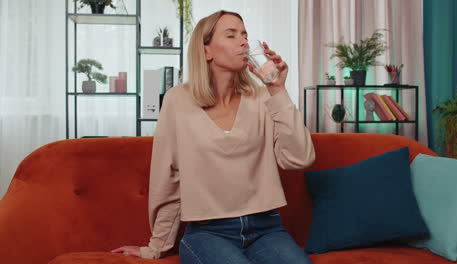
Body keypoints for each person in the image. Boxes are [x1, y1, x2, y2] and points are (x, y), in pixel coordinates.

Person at [111, 10, 315, 264]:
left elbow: (300, 158)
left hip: (267, 228)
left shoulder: (264, 97)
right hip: (207, 233)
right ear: (206, 50)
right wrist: (156, 246)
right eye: (231, 35)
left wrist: (277, 90)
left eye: (244, 35)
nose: (243, 42)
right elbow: (167, 177)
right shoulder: (177, 101)